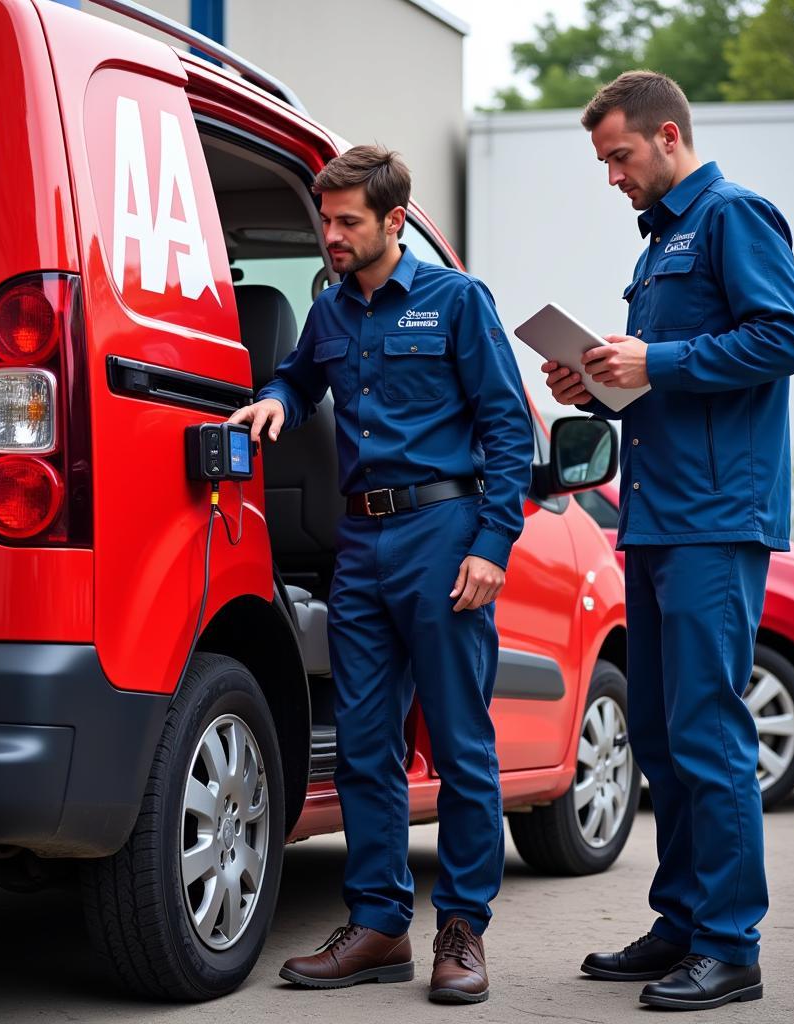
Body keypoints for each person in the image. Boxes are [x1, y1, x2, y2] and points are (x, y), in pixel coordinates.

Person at [230, 145, 533, 1004]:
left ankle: (463, 929)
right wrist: (281, 400)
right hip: (359, 549)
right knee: (365, 746)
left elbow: (509, 430)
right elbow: (297, 374)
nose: (330, 234)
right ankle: (379, 925)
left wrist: (492, 546)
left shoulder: (457, 302)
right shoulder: (328, 312)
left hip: (444, 537)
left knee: (462, 745)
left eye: (346, 221)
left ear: (394, 221)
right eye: (325, 220)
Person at [544, 71, 794, 1011]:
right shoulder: (660, 246)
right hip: (658, 516)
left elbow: (785, 338)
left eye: (619, 156)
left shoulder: (735, 216)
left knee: (707, 733)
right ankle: (683, 924)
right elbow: (672, 384)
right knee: (659, 734)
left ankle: (732, 946)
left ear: (666, 135)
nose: (611, 175)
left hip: (714, 518)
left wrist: (653, 359)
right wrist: (604, 384)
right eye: (604, 160)